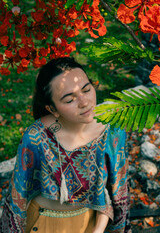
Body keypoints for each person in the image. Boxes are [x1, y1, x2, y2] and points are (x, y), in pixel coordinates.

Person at [0, 57, 131, 233]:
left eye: (87, 89)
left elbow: (118, 193)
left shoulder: (112, 131)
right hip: (41, 222)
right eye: (69, 100)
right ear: (52, 109)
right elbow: (18, 198)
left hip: (87, 225)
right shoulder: (36, 137)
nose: (85, 103)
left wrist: (100, 229)